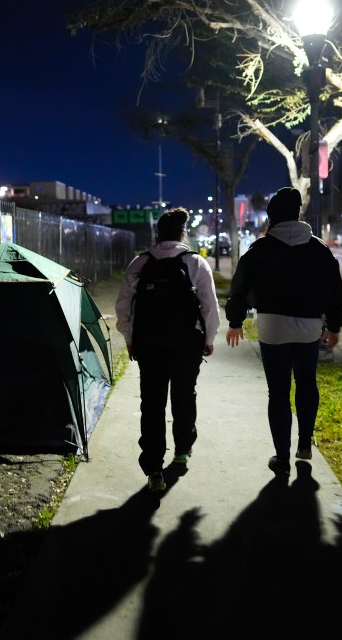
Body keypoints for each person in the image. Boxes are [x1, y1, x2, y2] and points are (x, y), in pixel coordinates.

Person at [224, 188, 342, 475]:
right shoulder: (319, 249)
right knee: (307, 383)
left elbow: (239, 289)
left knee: (278, 393)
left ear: (272, 217)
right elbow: (334, 290)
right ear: (297, 215)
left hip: (272, 327)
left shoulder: (259, 249)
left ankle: (281, 458)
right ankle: (304, 445)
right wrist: (334, 325)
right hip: (309, 328)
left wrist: (235, 322)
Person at [115, 208, 220, 493]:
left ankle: (153, 469)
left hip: (149, 345)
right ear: (182, 233)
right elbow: (209, 306)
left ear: (157, 233)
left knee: (152, 404)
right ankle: (182, 450)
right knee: (184, 396)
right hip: (187, 344)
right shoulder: (195, 262)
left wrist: (129, 338)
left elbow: (123, 306)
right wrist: (209, 338)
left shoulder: (140, 263)